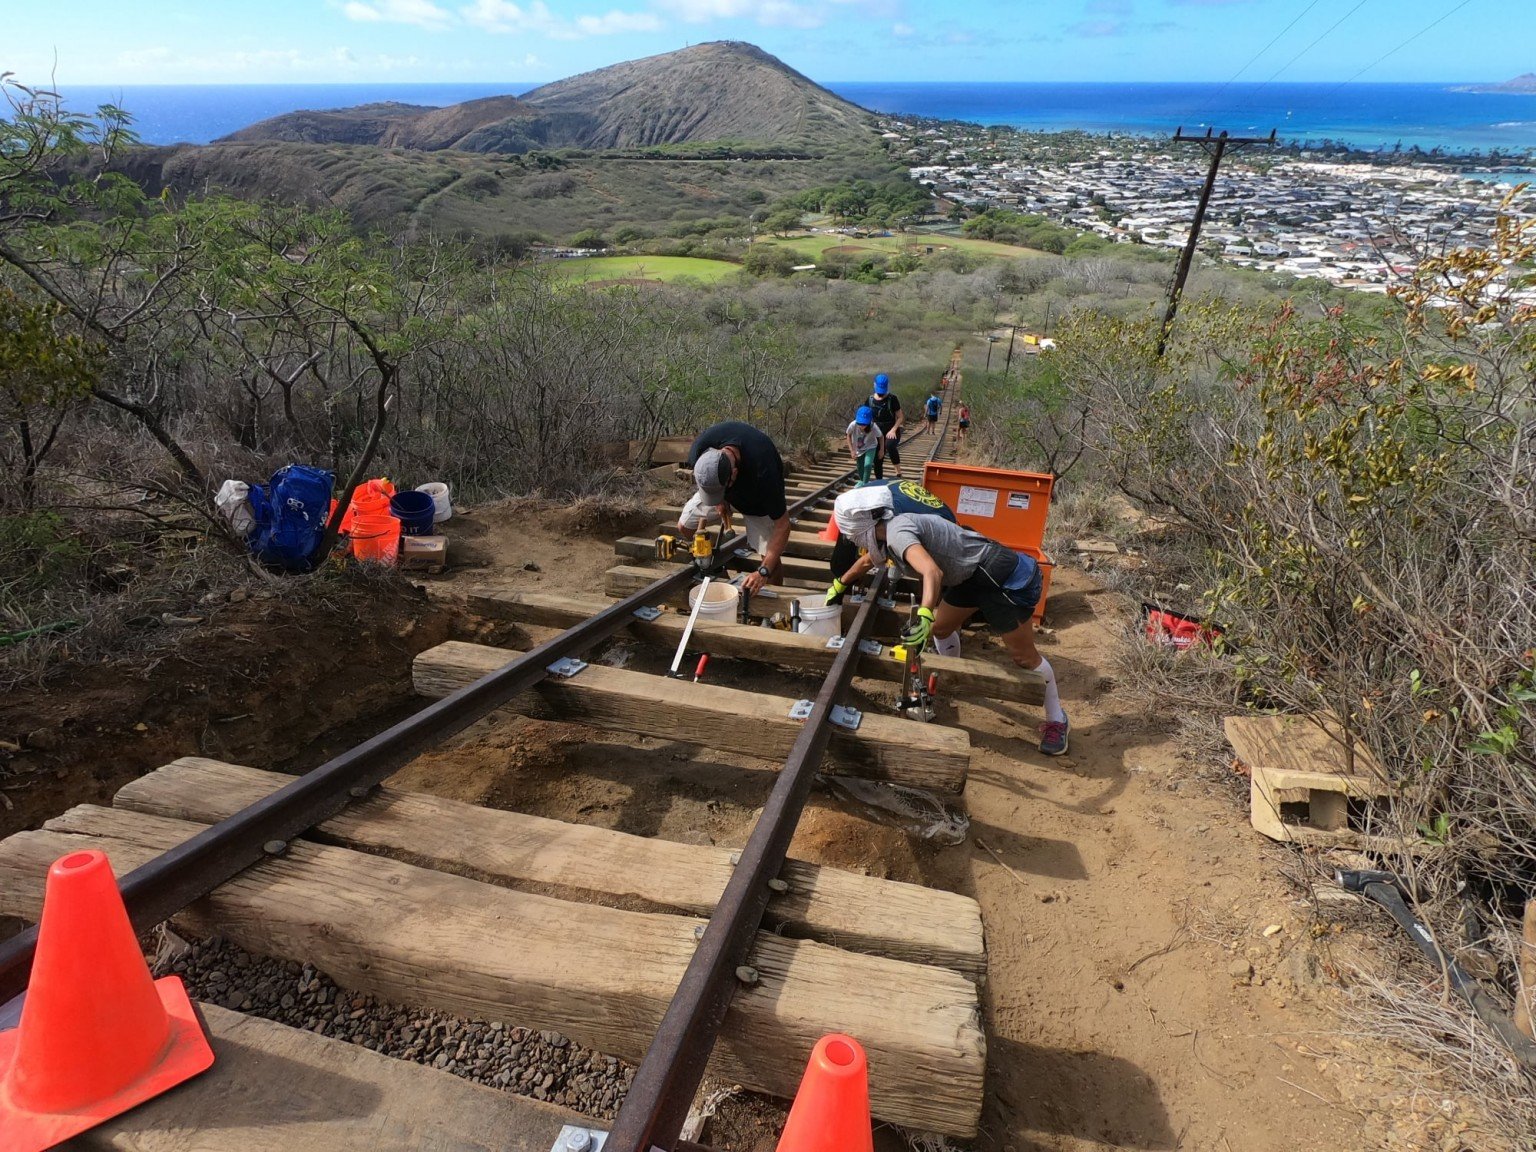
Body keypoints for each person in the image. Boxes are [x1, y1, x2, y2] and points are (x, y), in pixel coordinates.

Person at [865, 509, 1069, 755]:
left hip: (1002, 580)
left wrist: (924, 613)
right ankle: (954, 674)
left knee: (1024, 658)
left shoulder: (897, 531)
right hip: (972, 575)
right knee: (940, 629)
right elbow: (867, 561)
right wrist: (841, 582)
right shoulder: (889, 533)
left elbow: (932, 572)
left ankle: (1057, 719)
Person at [680, 421, 790, 595]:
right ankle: (716, 571)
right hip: (719, 488)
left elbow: (783, 525)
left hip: (756, 502)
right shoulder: (700, 451)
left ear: (734, 473)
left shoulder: (764, 471)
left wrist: (763, 571)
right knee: (685, 526)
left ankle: (773, 601)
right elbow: (708, 482)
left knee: (771, 561)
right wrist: (718, 499)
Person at [865, 373, 904, 478]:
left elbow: (900, 417)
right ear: (874, 385)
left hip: (891, 428)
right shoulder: (870, 400)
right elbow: (865, 417)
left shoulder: (892, 399)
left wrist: (893, 430)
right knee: (878, 457)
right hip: (876, 430)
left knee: (890, 445)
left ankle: (898, 472)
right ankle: (879, 480)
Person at [845, 406, 884, 483]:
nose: (861, 426)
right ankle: (863, 481)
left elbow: (881, 437)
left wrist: (881, 450)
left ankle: (865, 484)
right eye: (860, 423)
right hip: (858, 448)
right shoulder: (853, 425)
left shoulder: (873, 426)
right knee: (860, 467)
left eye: (864, 424)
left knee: (868, 465)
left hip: (871, 446)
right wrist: (852, 450)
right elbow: (848, 435)